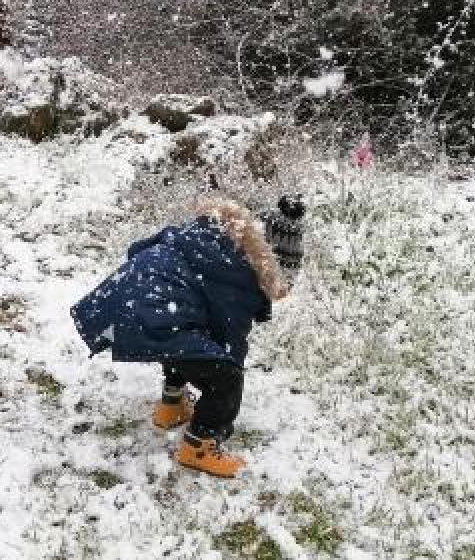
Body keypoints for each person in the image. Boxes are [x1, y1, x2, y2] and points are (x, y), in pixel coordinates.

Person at [71, 195, 306, 478]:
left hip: (127, 299)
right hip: (150, 308)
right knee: (225, 374)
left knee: (185, 338)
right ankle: (199, 447)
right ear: (271, 267)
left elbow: (140, 248)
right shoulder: (239, 277)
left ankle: (172, 406)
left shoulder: (210, 242)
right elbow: (229, 340)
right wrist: (226, 389)